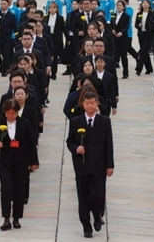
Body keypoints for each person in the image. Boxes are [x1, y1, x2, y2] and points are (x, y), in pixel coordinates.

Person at [66, 90, 115, 238]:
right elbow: (70, 141)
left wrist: (110, 165)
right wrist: (76, 148)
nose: (90, 105)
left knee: (98, 195)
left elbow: (109, 144)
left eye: (93, 103)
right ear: (83, 104)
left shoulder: (104, 121)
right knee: (83, 196)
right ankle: (86, 226)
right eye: (87, 103)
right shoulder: (76, 121)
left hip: (99, 165)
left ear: (96, 103)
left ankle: (97, 214)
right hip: (82, 165)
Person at [0, 99, 39, 231]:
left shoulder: (25, 124)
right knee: (6, 189)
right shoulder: (0, 123)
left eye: (13, 113)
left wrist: (34, 162)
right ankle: (6, 218)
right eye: (8, 113)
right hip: (4, 162)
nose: (11, 116)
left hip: (21, 162)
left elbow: (31, 143)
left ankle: (17, 217)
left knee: (19, 190)